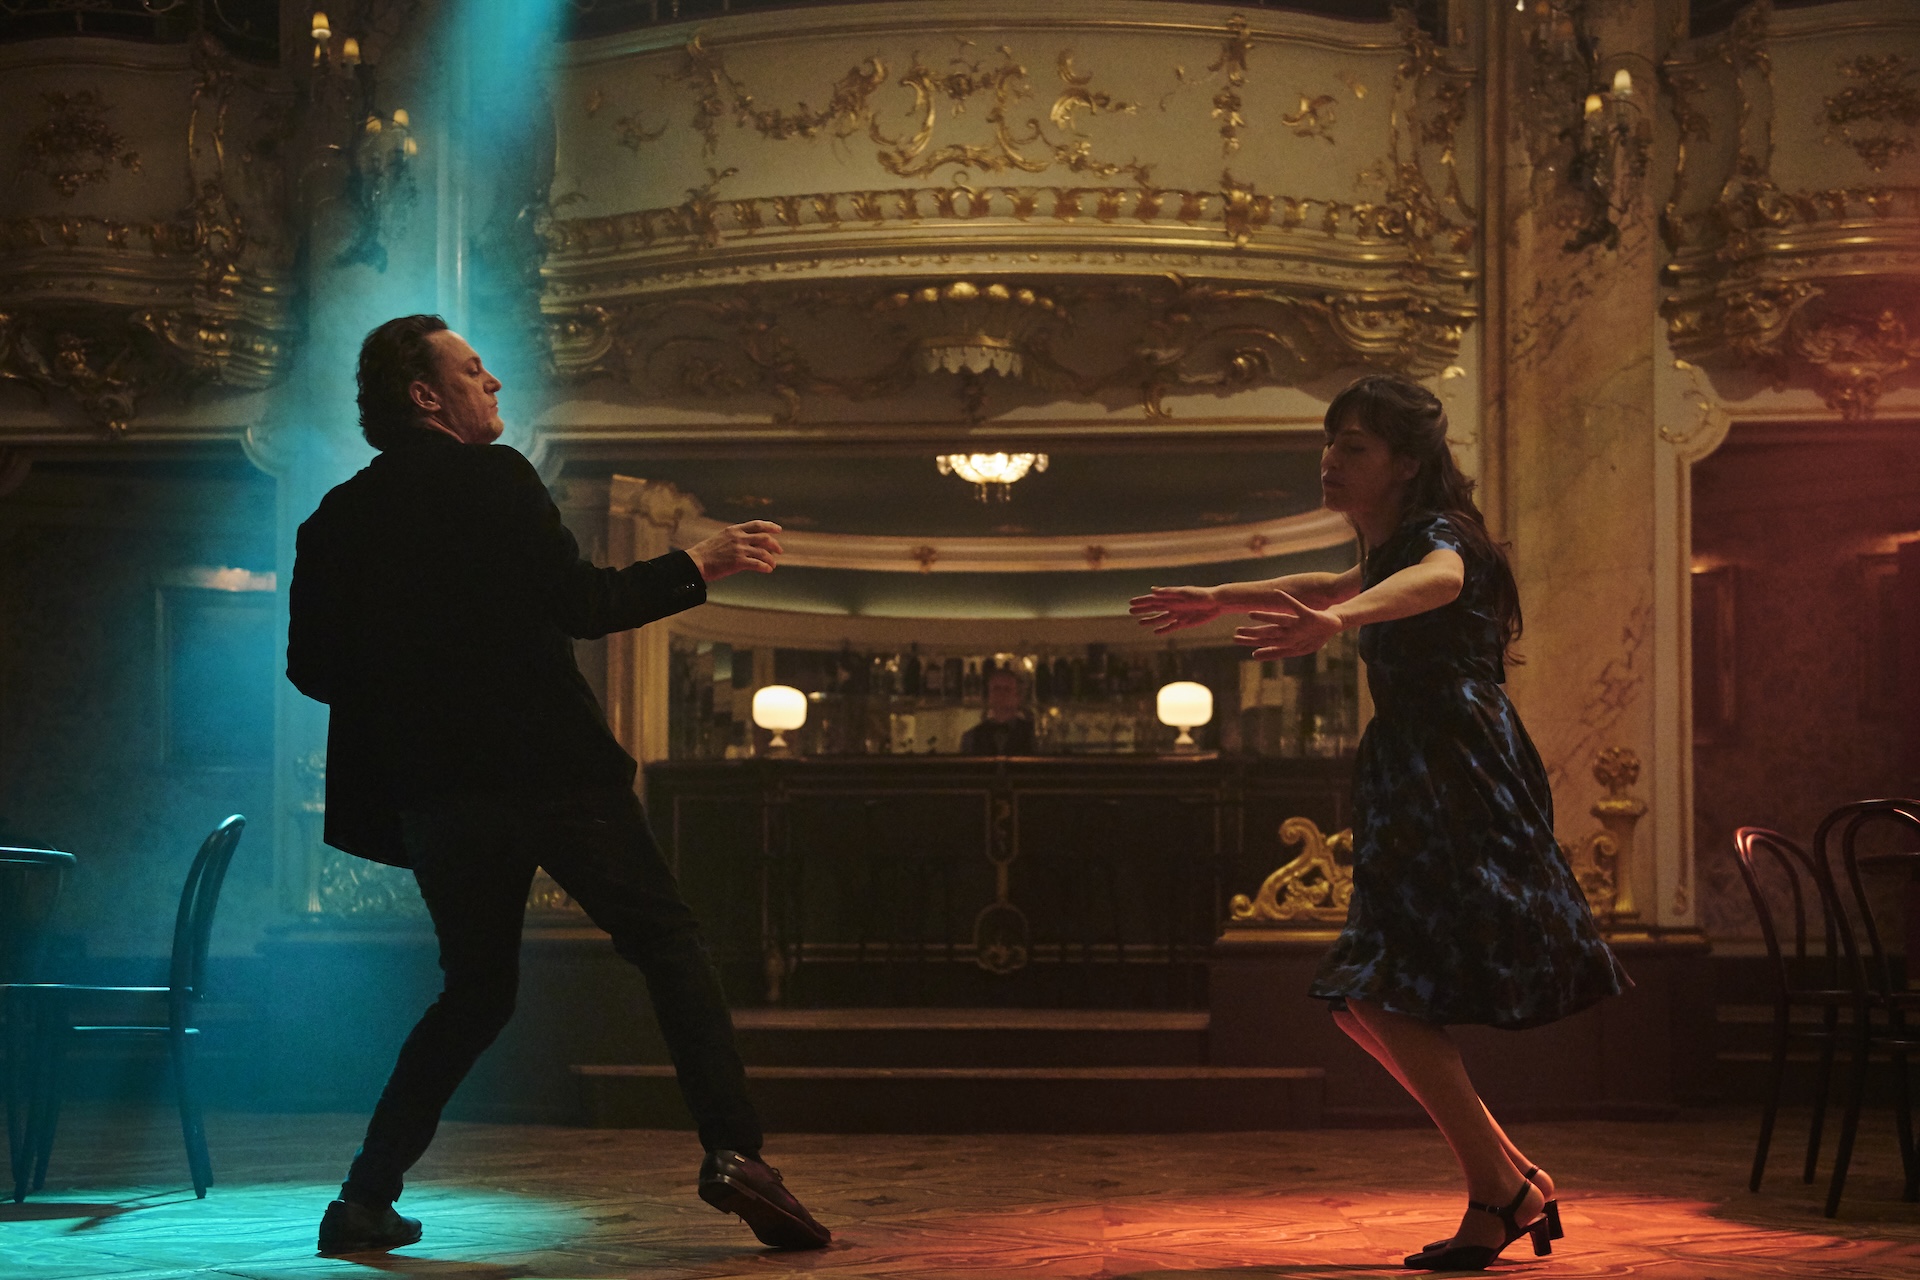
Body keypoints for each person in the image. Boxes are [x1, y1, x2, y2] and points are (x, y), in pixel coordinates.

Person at [288, 315, 830, 1256]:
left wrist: (423, 693)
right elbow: (584, 606)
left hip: (440, 794)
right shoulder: (496, 478)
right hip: (551, 771)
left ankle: (363, 1199)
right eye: (472, 371)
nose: (492, 383)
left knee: (475, 993)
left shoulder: (332, 519)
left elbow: (311, 668)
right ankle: (736, 1156)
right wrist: (699, 561)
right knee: (667, 945)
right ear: (427, 396)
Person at [1130, 374, 1627, 1272]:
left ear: (1403, 463)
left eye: (1352, 446)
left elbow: (1435, 585)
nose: (1330, 459)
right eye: (1330, 442)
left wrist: (1339, 618)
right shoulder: (1394, 543)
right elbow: (1326, 578)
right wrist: (1221, 596)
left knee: (1375, 990)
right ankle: (1512, 1178)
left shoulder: (1440, 542)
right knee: (1361, 1004)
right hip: (1415, 768)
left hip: (1458, 770)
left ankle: (1501, 1190)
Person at [959, 667, 1036, 755]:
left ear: (1018, 696)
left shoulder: (1033, 736)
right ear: (989, 695)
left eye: (1007, 689)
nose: (1001, 694)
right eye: (996, 689)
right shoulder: (971, 737)